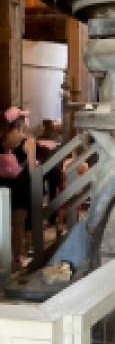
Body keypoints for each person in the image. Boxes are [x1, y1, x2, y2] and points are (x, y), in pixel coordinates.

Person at [0, 107, 36, 271]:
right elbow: (33, 170)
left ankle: (3, 260)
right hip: (20, 186)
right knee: (18, 224)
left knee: (3, 223)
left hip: (2, 185)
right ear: (21, 122)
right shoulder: (27, 142)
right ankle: (15, 259)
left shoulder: (2, 140)